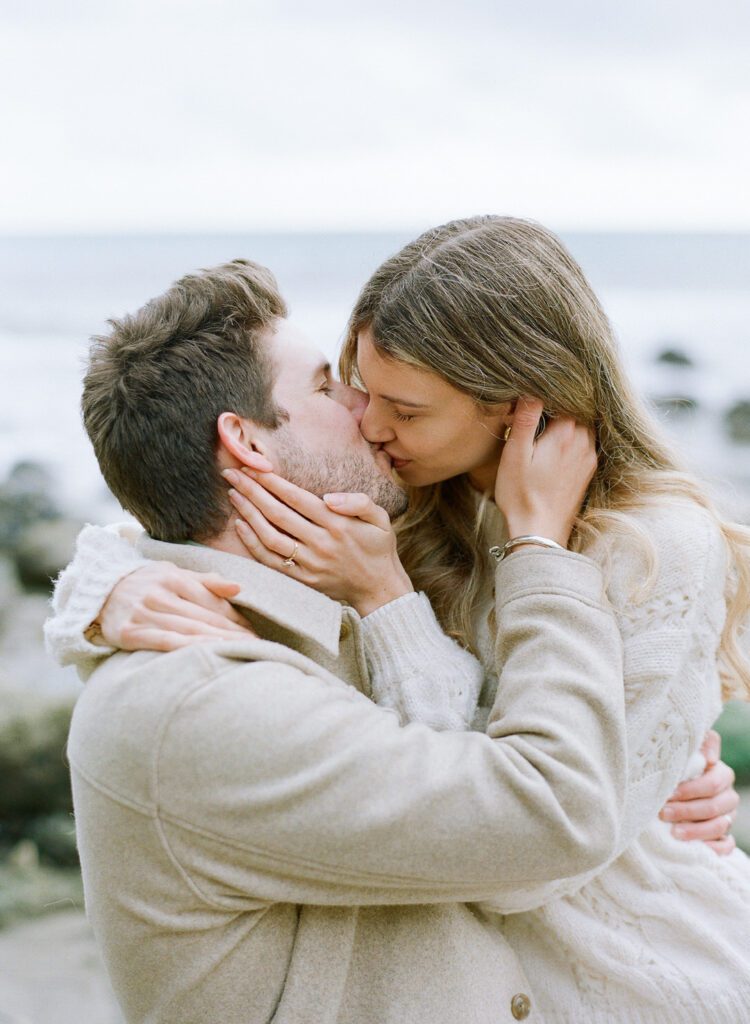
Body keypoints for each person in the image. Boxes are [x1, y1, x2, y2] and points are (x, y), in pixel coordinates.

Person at [52, 220, 750, 1021]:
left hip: (665, 968)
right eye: (335, 386)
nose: (366, 420)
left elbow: (548, 836)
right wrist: (102, 585)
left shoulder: (641, 548)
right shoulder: (388, 537)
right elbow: (531, 817)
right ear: (244, 441)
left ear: (514, 404)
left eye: (401, 408)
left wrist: (437, 586)